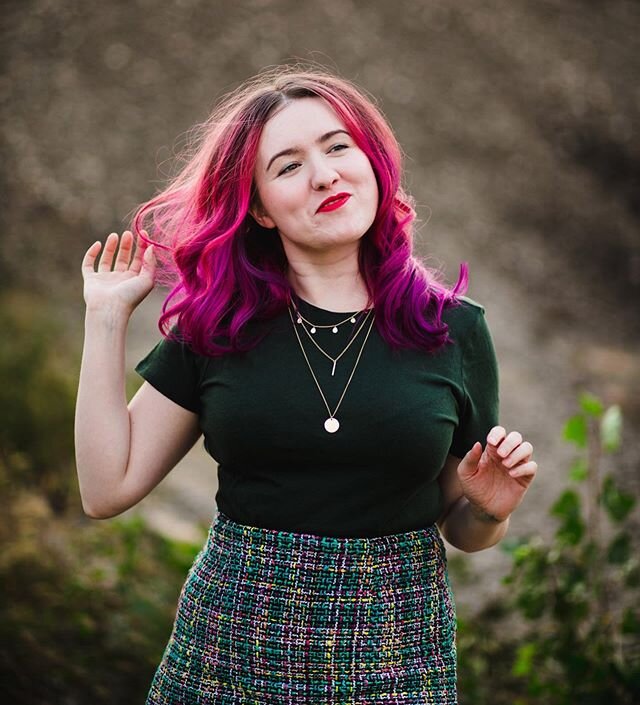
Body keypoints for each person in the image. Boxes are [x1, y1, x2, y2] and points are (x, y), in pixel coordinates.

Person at [75, 65, 537, 705]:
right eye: (288, 166)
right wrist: (105, 319)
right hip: (231, 645)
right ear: (259, 208)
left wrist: (489, 507)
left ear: (372, 164)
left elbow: (465, 530)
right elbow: (105, 489)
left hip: (396, 648)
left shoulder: (453, 329)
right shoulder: (218, 327)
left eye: (338, 147)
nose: (324, 175)